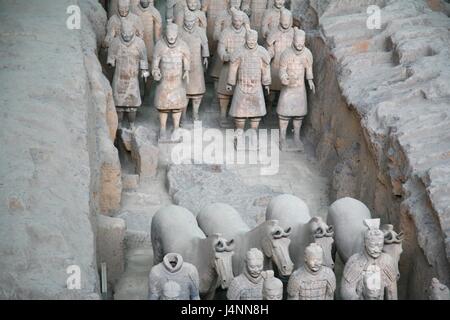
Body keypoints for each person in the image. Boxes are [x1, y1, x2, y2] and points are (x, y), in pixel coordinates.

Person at [152, 22, 191, 140]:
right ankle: (163, 128)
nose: (171, 39)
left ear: (177, 34)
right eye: (169, 36)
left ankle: (176, 128)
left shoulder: (183, 45)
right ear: (166, 34)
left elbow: (187, 58)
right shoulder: (160, 45)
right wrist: (155, 71)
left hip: (177, 81)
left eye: (173, 36)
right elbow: (155, 62)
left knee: (177, 106)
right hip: (164, 81)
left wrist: (187, 70)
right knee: (163, 106)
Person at [107, 20, 149, 129]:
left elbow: (143, 58)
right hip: (119, 78)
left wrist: (144, 71)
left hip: (133, 79)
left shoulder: (139, 43)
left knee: (132, 105)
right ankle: (119, 124)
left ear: (133, 31)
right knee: (119, 104)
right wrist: (110, 62)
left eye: (129, 34)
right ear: (121, 31)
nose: (126, 36)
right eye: (124, 34)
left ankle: (131, 124)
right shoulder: (115, 42)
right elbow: (111, 55)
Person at [179, 9, 210, 122]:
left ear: (195, 21)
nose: (189, 23)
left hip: (197, 64)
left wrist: (206, 57)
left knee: (197, 91)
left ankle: (195, 114)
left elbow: (205, 45)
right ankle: (182, 116)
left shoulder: (200, 31)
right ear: (184, 21)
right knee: (184, 91)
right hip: (182, 65)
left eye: (192, 21)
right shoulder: (179, 31)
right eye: (187, 21)